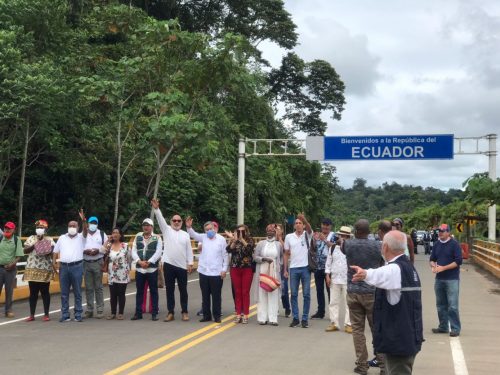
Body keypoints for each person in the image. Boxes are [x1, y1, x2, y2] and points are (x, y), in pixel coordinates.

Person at [351, 230, 423, 375]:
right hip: (409, 337)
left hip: (399, 342)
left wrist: (365, 273)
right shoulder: (409, 267)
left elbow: (381, 274)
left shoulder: (396, 268)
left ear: (385, 247)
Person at [343, 219, 385, 375]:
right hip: (372, 292)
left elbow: (341, 248)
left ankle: (361, 365)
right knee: (377, 329)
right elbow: (382, 263)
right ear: (369, 231)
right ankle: (382, 364)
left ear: (355, 231)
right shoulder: (377, 245)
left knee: (357, 331)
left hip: (353, 291)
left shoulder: (348, 244)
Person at [151, 199, 194, 322]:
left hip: (182, 266)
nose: (176, 222)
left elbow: (189, 250)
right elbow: (160, 219)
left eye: (178, 220)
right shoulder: (167, 230)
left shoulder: (185, 234)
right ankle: (171, 312)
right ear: (171, 222)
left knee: (183, 290)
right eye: (174, 220)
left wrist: (190, 263)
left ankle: (184, 312)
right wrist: (156, 209)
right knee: (169, 290)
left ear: (181, 222)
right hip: (169, 265)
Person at [186, 217, 228, 323]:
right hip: (204, 272)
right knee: (205, 295)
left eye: (210, 229)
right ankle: (206, 315)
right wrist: (189, 227)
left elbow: (225, 255)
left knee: (216, 296)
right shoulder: (203, 238)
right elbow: (193, 234)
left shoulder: (221, 239)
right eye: (206, 230)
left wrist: (224, 269)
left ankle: (217, 316)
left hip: (216, 273)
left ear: (215, 228)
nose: (209, 231)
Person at [53, 210, 88, 322]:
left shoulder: (81, 237)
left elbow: (86, 232)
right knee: (64, 293)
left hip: (77, 266)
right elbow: (55, 251)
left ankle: (78, 314)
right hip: (63, 267)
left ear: (78, 227)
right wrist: (54, 262)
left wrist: (83, 221)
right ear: (67, 227)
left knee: (77, 292)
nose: (72, 227)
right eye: (70, 225)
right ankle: (65, 314)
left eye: (74, 225)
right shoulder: (62, 237)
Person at [430, 223, 462, 337]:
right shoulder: (437, 244)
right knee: (440, 305)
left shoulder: (454, 244)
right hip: (439, 279)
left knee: (452, 305)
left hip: (452, 279)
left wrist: (443, 267)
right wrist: (433, 266)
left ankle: (455, 328)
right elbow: (432, 259)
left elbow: (458, 261)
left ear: (448, 232)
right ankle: (443, 326)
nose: (440, 233)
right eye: (439, 231)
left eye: (443, 231)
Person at [283, 214, 313, 328]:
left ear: (303, 225)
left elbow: (310, 228)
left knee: (306, 294)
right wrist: (285, 269)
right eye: (296, 223)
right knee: (294, 294)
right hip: (293, 268)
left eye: (300, 223)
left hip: (305, 268)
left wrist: (304, 218)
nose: (298, 224)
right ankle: (296, 318)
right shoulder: (289, 237)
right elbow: (286, 253)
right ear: (294, 226)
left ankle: (304, 319)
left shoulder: (307, 235)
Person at [23, 220, 56, 322]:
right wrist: (35, 245)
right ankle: (32, 314)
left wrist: (46, 248)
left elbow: (52, 252)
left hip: (44, 270)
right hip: (32, 270)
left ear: (45, 229)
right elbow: (25, 250)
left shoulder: (49, 239)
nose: (39, 229)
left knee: (45, 292)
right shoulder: (31, 238)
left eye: (41, 228)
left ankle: (46, 314)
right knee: (33, 293)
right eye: (38, 227)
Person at [131, 218, 163, 321]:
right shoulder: (138, 236)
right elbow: (133, 250)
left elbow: (158, 252)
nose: (146, 227)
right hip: (140, 269)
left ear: (152, 227)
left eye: (148, 225)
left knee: (154, 291)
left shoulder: (157, 237)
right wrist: (139, 261)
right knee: (139, 291)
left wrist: (149, 262)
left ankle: (154, 313)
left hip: (152, 269)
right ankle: (138, 313)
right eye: (144, 225)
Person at [254, 224, 284, 326]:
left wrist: (278, 267)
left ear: (275, 232)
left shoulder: (278, 245)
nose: (270, 232)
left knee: (273, 293)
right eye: (268, 231)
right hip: (262, 269)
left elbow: (280, 258)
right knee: (262, 293)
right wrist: (264, 259)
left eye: (272, 231)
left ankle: (273, 318)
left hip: (274, 271)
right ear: (266, 232)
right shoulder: (261, 244)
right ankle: (262, 318)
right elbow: (255, 257)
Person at [325, 225, 351, 333]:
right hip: (335, 278)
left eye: (345, 236)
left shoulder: (351, 248)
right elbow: (328, 263)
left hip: (347, 279)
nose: (343, 237)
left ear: (349, 237)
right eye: (341, 235)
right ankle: (334, 323)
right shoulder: (332, 248)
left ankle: (348, 324)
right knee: (333, 302)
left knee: (348, 303)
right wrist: (327, 275)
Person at [226, 224, 255, 324]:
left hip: (247, 268)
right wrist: (234, 240)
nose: (240, 233)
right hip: (235, 268)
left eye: (242, 231)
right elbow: (229, 250)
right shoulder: (234, 240)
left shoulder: (250, 240)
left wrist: (242, 239)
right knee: (237, 291)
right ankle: (238, 314)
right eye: (238, 231)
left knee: (245, 292)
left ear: (246, 232)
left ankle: (246, 314)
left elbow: (249, 250)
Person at [102, 227, 131, 320]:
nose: (114, 234)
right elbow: (101, 251)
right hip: (112, 273)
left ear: (120, 235)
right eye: (113, 232)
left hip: (122, 273)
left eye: (116, 233)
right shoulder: (109, 245)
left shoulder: (125, 246)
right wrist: (107, 241)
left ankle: (121, 313)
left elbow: (129, 258)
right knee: (113, 294)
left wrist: (127, 269)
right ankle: (113, 312)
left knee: (121, 293)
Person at [83, 216, 108, 319]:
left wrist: (98, 251)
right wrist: (85, 251)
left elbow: (107, 246)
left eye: (95, 222)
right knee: (88, 287)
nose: (93, 224)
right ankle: (89, 309)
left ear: (97, 224)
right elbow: (78, 246)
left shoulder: (102, 234)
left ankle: (100, 309)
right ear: (88, 223)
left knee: (98, 287)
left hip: (98, 261)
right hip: (86, 262)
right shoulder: (83, 234)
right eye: (91, 222)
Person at [311, 218, 335, 319]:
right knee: (319, 291)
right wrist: (314, 239)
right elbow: (313, 249)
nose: (325, 227)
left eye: (327, 225)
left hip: (329, 268)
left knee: (330, 291)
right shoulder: (317, 235)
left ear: (330, 226)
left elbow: (334, 247)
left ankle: (333, 313)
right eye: (324, 224)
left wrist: (324, 240)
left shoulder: (333, 236)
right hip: (318, 267)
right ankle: (321, 312)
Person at [0, 221, 24, 318]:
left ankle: (8, 310)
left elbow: (19, 256)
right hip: (0, 268)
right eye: (6, 228)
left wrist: (11, 264)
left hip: (10, 269)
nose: (7, 229)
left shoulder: (16, 240)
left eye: (9, 228)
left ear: (13, 230)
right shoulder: (1, 238)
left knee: (9, 290)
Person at [276, 224, 290, 318]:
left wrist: (280, 238)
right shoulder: (269, 241)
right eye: (275, 229)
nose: (276, 231)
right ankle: (274, 308)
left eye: (278, 229)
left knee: (283, 289)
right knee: (273, 288)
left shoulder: (284, 241)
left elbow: (286, 251)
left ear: (282, 231)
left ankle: (287, 307)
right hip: (273, 268)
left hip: (282, 267)